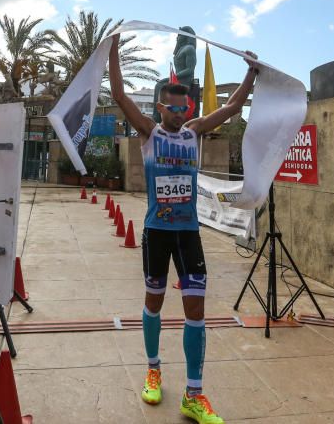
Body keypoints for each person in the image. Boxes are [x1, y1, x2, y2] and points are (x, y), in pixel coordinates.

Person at [110, 34, 258, 424]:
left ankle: (194, 394)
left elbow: (232, 106)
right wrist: (112, 48)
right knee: (154, 303)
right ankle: (153, 370)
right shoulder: (150, 133)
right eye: (173, 108)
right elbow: (121, 96)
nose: (179, 114)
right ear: (161, 108)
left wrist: (250, 72)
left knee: (196, 311)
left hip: (188, 234)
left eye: (184, 108)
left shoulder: (194, 131)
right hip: (156, 233)